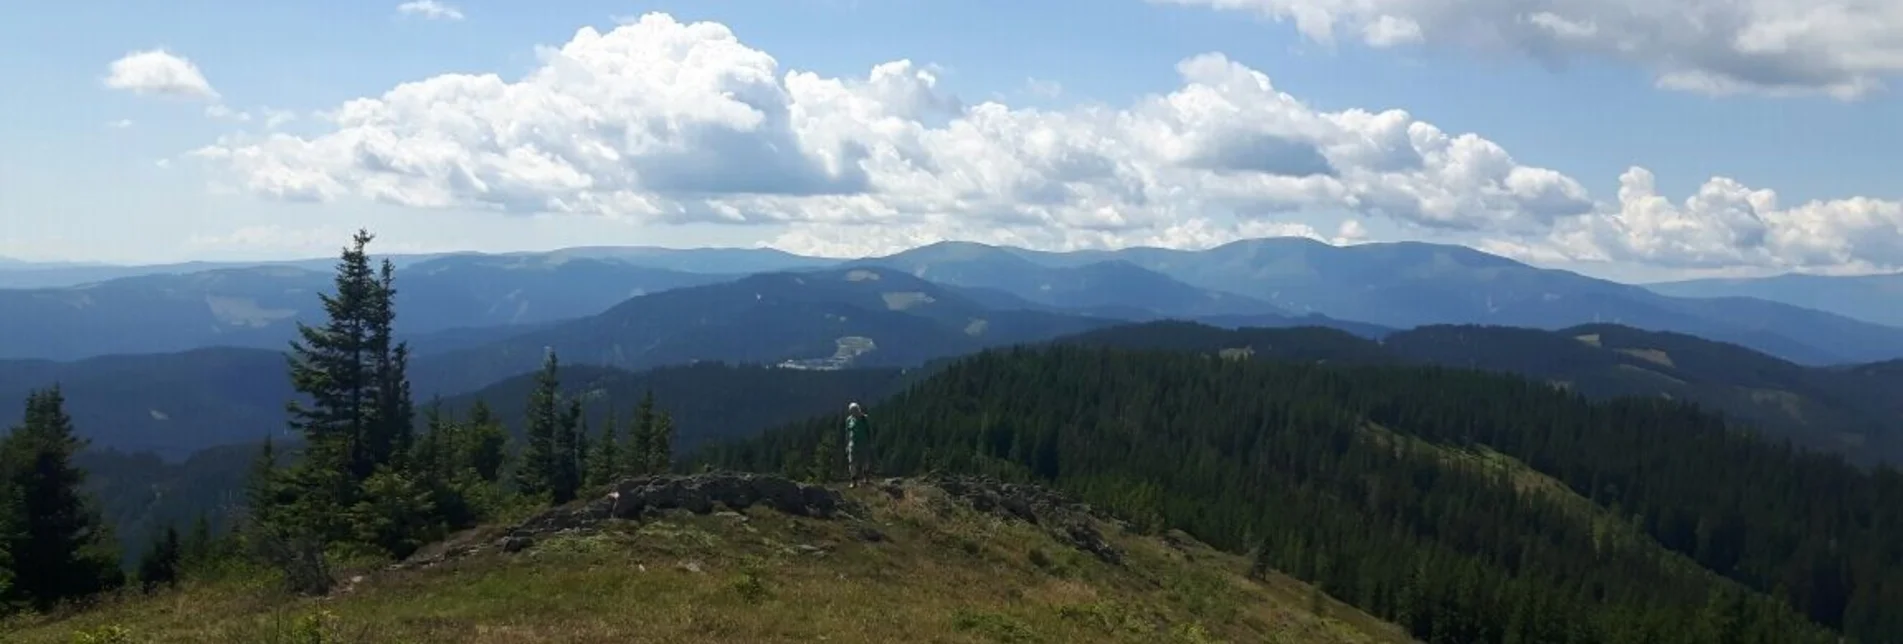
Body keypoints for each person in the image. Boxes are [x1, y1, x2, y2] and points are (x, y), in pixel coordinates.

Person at [845, 402, 872, 487]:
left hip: (864, 444)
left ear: (859, 410)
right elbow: (848, 432)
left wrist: (870, 443)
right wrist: (847, 444)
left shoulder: (864, 419)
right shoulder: (849, 420)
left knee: (865, 461)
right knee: (852, 462)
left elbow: (869, 431)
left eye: (856, 410)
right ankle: (853, 480)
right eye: (852, 411)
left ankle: (866, 478)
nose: (854, 412)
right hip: (853, 444)